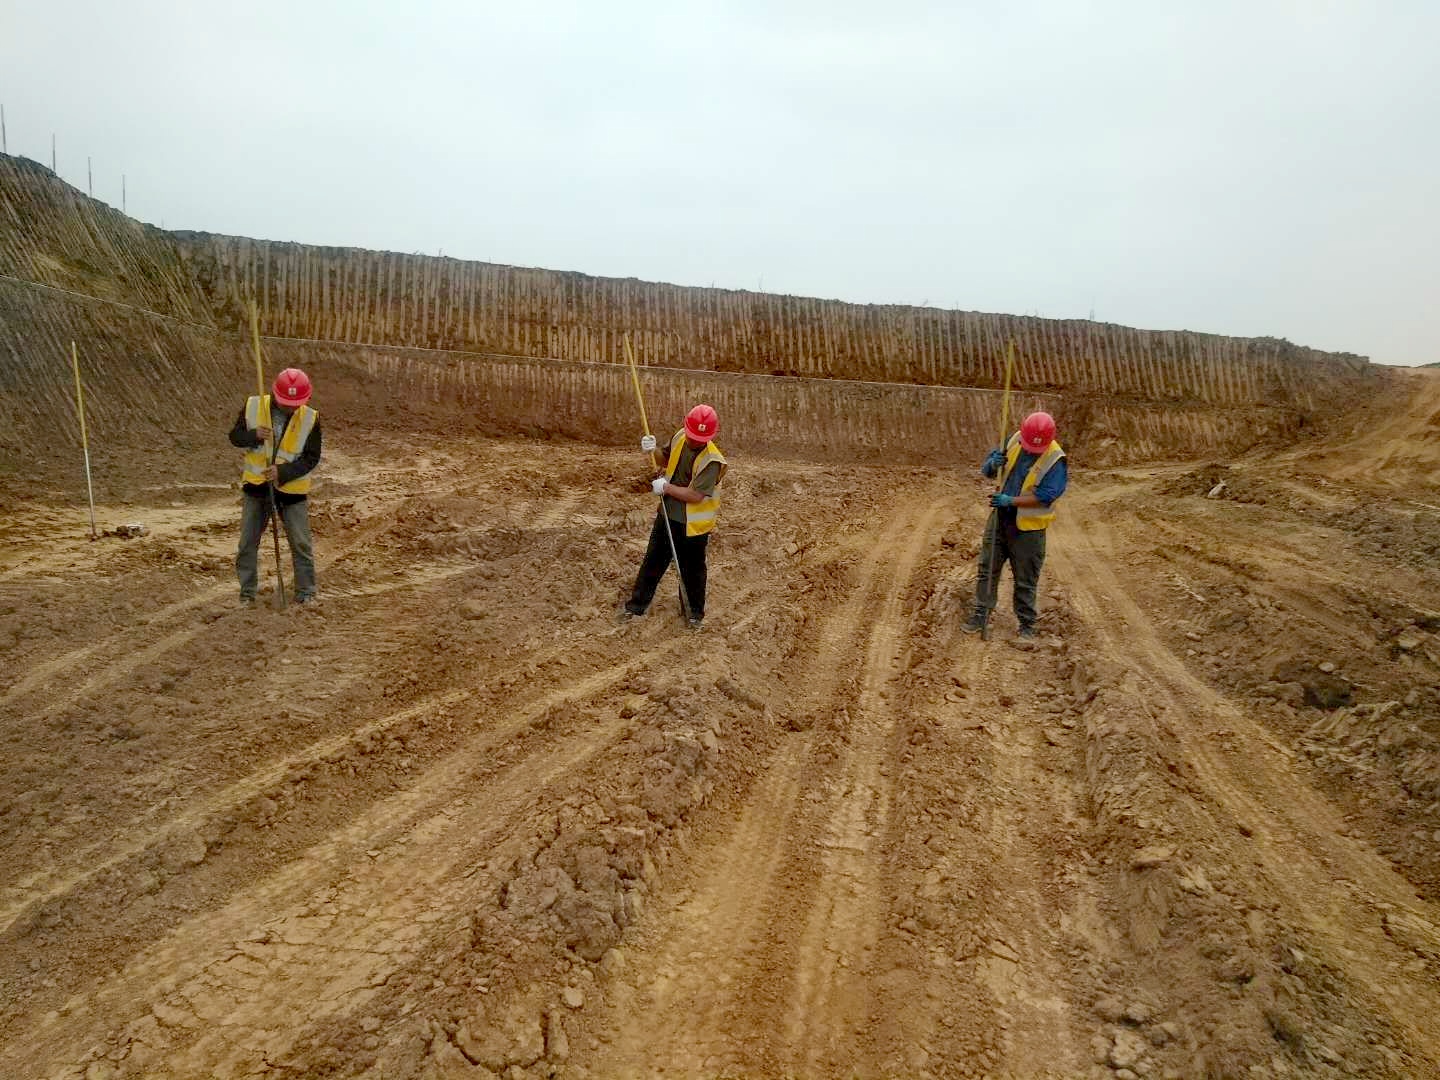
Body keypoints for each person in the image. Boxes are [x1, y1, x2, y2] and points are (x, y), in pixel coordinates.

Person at [964, 410, 1067, 639]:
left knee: (1025, 578)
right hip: (1001, 519)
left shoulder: (1055, 459)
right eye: (1028, 443)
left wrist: (1011, 501)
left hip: (1029, 529)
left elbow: (1047, 495)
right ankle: (980, 614)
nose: (1030, 449)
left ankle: (1027, 624)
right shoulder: (1013, 440)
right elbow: (987, 471)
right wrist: (993, 463)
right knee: (987, 569)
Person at [623, 404, 727, 629]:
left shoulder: (712, 460)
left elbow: (696, 495)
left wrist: (667, 488)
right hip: (668, 513)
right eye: (692, 435)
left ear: (711, 436)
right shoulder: (680, 437)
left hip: (693, 526)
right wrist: (652, 450)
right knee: (653, 561)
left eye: (700, 438)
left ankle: (694, 614)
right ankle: (636, 606)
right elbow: (664, 459)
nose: (694, 441)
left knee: (692, 570)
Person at [228, 368, 323, 605]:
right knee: (247, 543)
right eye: (286, 403)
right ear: (275, 393)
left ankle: (306, 592)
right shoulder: (253, 406)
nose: (291, 408)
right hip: (257, 487)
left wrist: (283, 472)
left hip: (291, 492)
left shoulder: (310, 418)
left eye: (295, 404)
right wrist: (253, 435)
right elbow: (235, 437)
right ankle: (247, 594)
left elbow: (312, 457)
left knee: (301, 544)